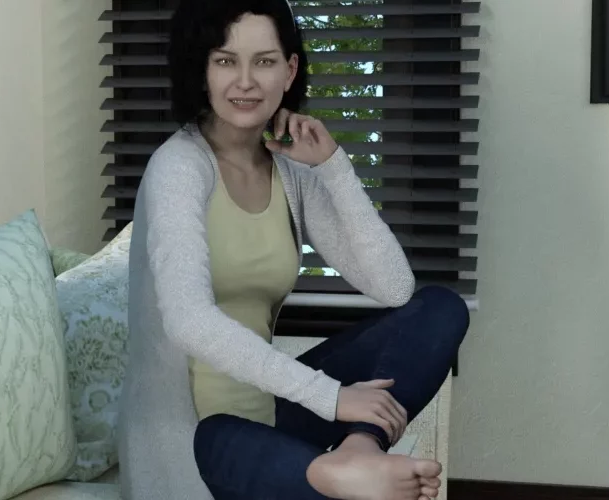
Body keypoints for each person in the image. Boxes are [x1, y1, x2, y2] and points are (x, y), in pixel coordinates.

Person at [116, 0, 471, 498]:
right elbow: (188, 320)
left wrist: (333, 167)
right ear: (201, 69)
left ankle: (358, 454)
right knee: (223, 437)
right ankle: (332, 475)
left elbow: (393, 287)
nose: (245, 81)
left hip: (270, 417)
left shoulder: (287, 169)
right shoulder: (178, 167)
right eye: (225, 60)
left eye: (263, 61)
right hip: (198, 443)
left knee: (439, 309)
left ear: (289, 70)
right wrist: (333, 397)